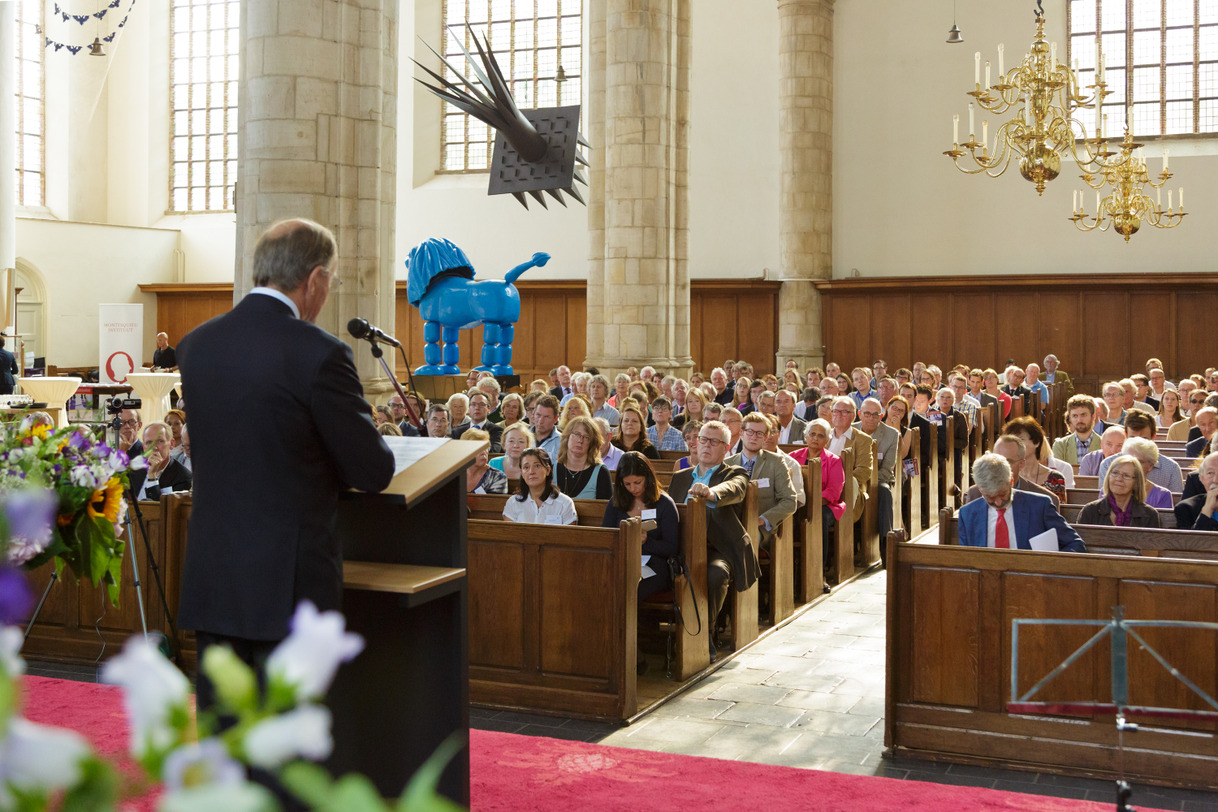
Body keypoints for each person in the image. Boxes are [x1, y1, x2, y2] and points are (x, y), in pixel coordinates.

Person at [176, 219, 395, 744]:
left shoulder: (197, 345)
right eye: (332, 281)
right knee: (286, 752)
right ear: (315, 279)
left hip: (216, 576)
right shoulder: (318, 352)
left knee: (225, 744)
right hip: (288, 585)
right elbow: (372, 469)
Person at [667, 420, 757, 658]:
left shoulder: (735, 472)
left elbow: (735, 488)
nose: (706, 445)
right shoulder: (680, 477)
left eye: (714, 442)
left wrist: (711, 492)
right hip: (682, 546)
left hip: (717, 548)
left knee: (715, 574)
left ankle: (703, 632)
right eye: (703, 440)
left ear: (726, 449)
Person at [957, 454, 1085, 552]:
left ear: (1011, 481)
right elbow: (965, 560)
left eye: (1002, 494)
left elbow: (1076, 544)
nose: (998, 502)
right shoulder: (968, 514)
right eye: (990, 497)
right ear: (980, 489)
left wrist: (1049, 566)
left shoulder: (1040, 506)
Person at [603, 452, 680, 606]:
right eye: (627, 484)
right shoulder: (616, 502)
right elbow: (605, 537)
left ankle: (627, 629)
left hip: (654, 564)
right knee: (602, 583)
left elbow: (672, 547)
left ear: (648, 478)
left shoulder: (664, 503)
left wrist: (646, 541)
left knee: (631, 589)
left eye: (638, 482)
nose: (633, 489)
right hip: (623, 561)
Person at [725, 413, 798, 549]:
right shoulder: (727, 463)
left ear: (765, 437)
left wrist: (762, 520)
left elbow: (789, 500)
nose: (753, 437)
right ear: (742, 433)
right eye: (750, 432)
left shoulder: (776, 462)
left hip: (761, 529)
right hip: (731, 524)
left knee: (745, 540)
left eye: (759, 434)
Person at [790, 419, 844, 592]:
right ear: (806, 436)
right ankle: (791, 574)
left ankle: (820, 574)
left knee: (818, 518)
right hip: (797, 504)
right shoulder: (793, 457)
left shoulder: (834, 461)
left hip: (826, 506)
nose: (815, 438)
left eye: (820, 435)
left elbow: (833, 492)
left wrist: (810, 502)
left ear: (827, 440)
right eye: (812, 434)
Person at [962, 434, 1059, 508]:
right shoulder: (976, 493)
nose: (999, 467)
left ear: (1021, 464)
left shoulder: (1044, 498)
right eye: (996, 460)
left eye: (1007, 462)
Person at [855, 397, 898, 547]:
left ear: (881, 416)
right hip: (854, 480)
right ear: (859, 414)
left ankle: (886, 544)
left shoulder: (891, 435)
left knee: (884, 492)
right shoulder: (851, 430)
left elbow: (887, 469)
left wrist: (867, 480)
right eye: (867, 414)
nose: (871, 418)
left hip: (878, 480)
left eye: (875, 415)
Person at [1078, 455, 1161, 527]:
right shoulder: (1090, 511)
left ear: (1136, 482)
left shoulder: (1149, 515)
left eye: (1126, 476)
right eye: (1115, 473)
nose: (1119, 479)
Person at [503, 448, 577, 524]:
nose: (531, 472)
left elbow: (568, 535)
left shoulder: (565, 503)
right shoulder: (513, 502)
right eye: (526, 467)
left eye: (537, 466)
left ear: (548, 470)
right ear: (522, 473)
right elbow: (509, 534)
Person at [1004, 416, 1069, 499]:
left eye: (1021, 439)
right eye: (1012, 441)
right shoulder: (1005, 477)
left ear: (1036, 442)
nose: (1016, 445)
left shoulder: (1055, 479)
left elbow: (1058, 509)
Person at [128, 421, 194, 499]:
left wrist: (152, 476)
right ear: (143, 447)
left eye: (160, 441)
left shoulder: (184, 478)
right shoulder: (134, 472)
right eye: (149, 442)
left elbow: (161, 509)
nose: (154, 447)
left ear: (172, 444)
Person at [554, 415, 612, 499]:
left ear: (592, 443)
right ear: (567, 437)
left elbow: (604, 509)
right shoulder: (554, 468)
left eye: (586, 437)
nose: (580, 440)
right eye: (577, 434)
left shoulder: (601, 472)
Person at [1051, 394, 1101, 464]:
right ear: (1070, 418)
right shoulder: (1060, 445)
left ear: (1093, 417)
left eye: (1083, 415)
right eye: (1075, 416)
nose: (1079, 420)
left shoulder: (1103, 444)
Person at [1175, 452, 1218, 531]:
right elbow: (1189, 542)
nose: (1216, 480)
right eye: (1210, 473)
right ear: (1202, 479)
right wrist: (1206, 510)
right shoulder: (1186, 508)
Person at [460, 428, 509, 494]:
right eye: (478, 448)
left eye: (486, 448)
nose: (484, 452)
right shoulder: (454, 475)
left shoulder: (497, 476)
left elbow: (494, 503)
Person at [531, 394, 562, 460]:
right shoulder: (521, 437)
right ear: (533, 414)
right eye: (538, 415)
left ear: (555, 419)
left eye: (546, 417)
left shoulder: (562, 443)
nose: (541, 421)